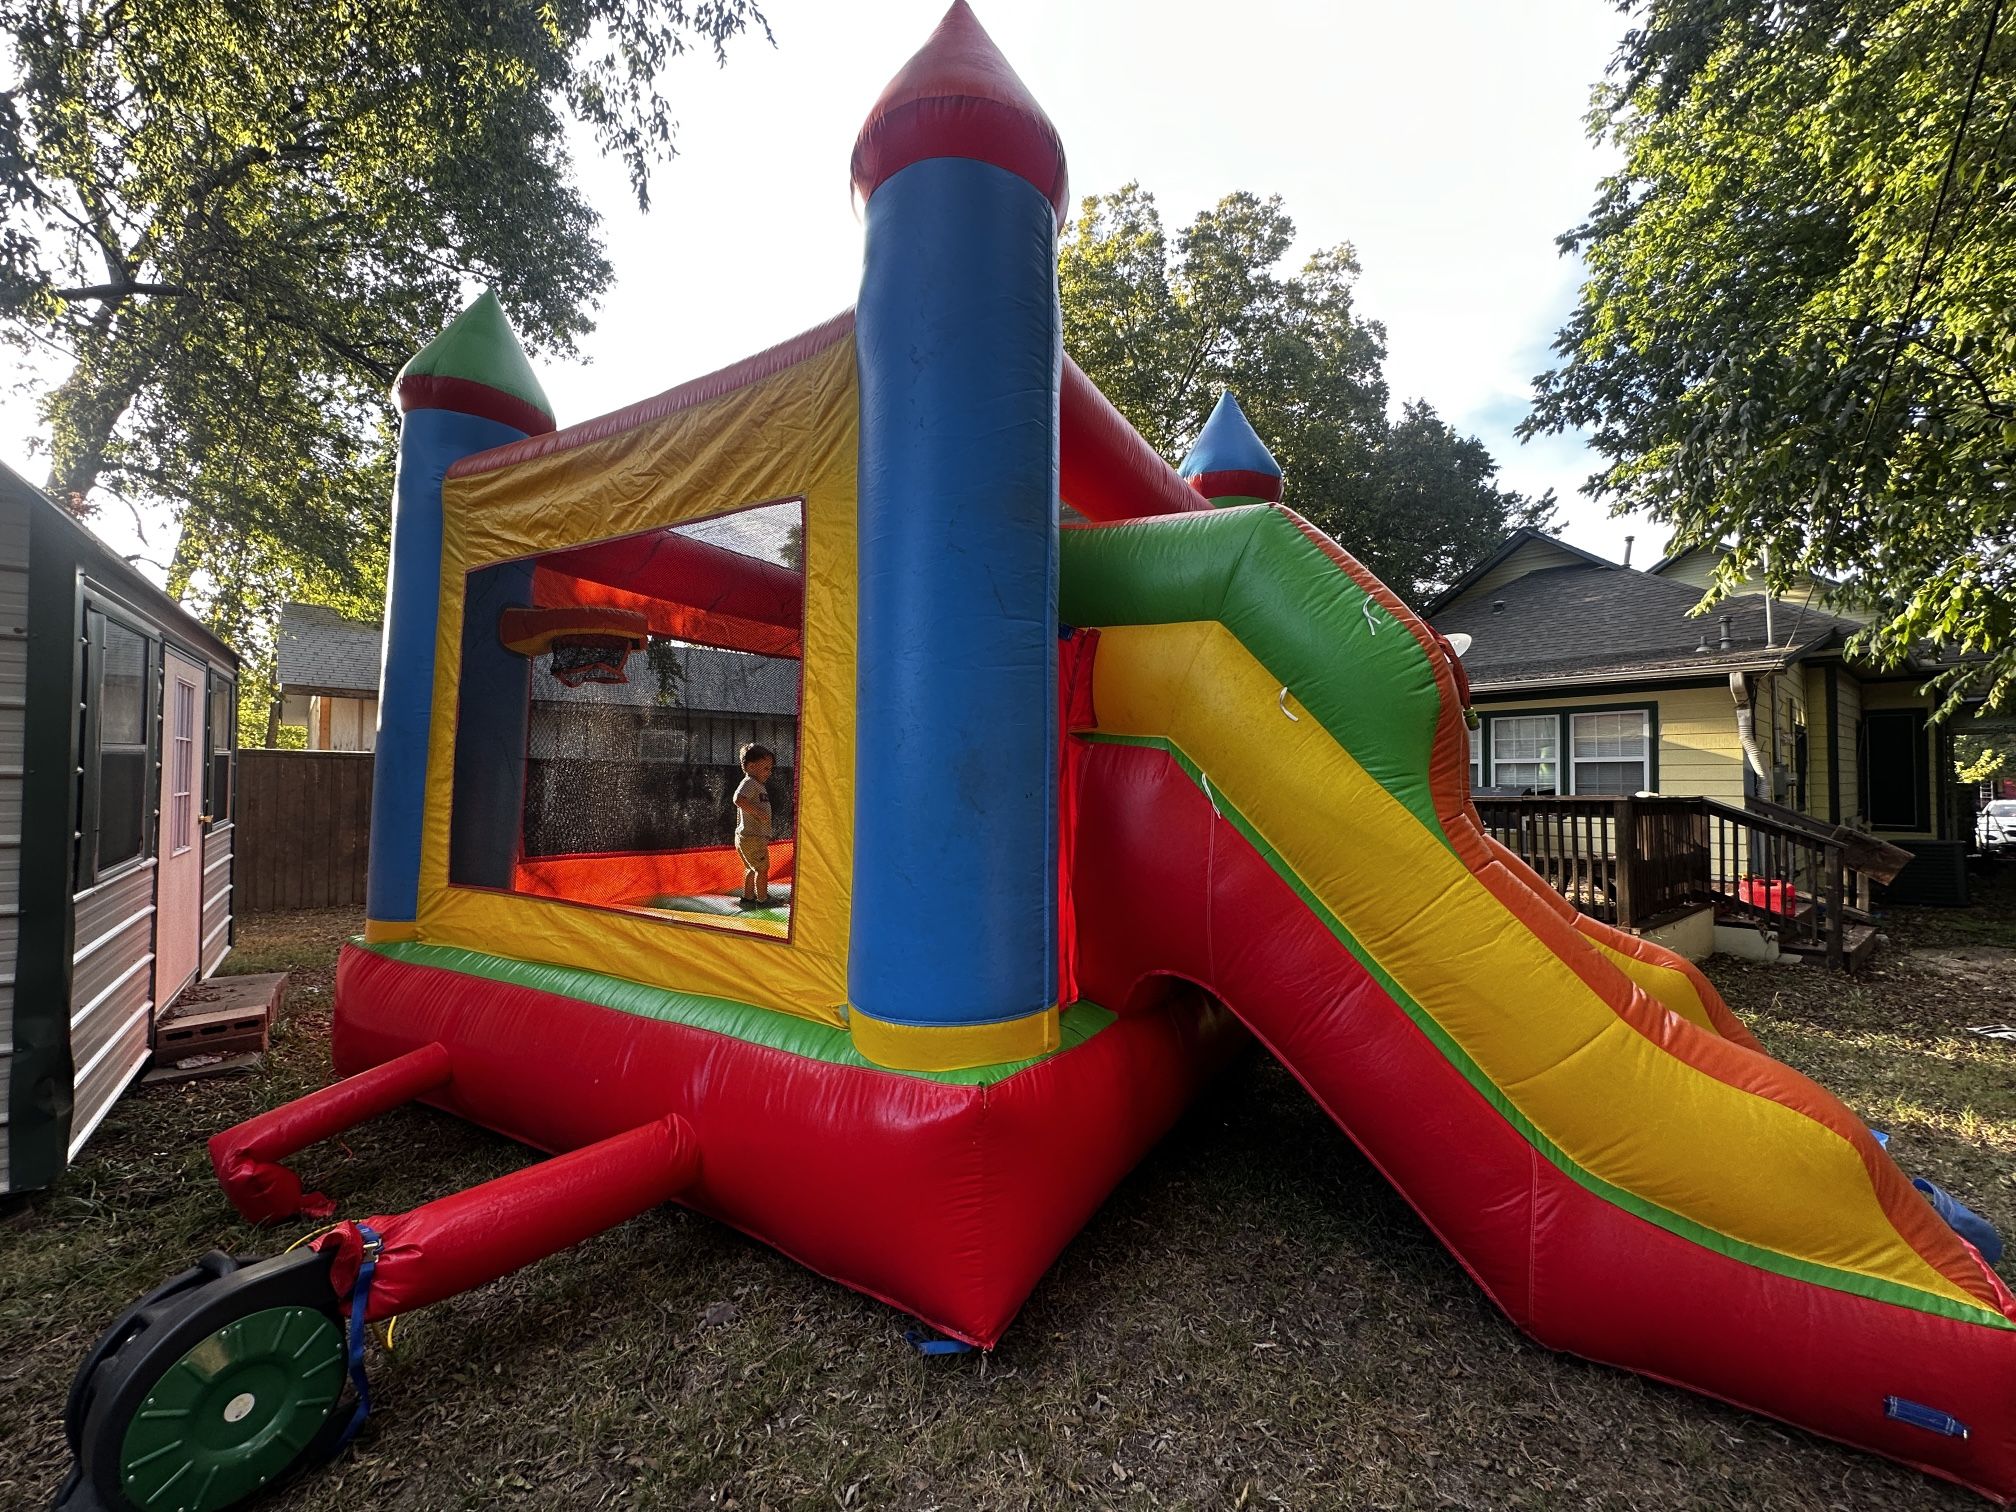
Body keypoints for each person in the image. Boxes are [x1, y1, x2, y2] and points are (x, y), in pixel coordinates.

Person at [733, 743, 776, 908]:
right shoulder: (750, 782)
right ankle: (763, 899)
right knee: (762, 869)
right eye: (766, 768)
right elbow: (738, 799)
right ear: (750, 766)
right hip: (752, 837)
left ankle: (748, 897)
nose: (769, 772)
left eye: (770, 768)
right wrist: (757, 812)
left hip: (748, 837)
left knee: (751, 868)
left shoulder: (756, 784)